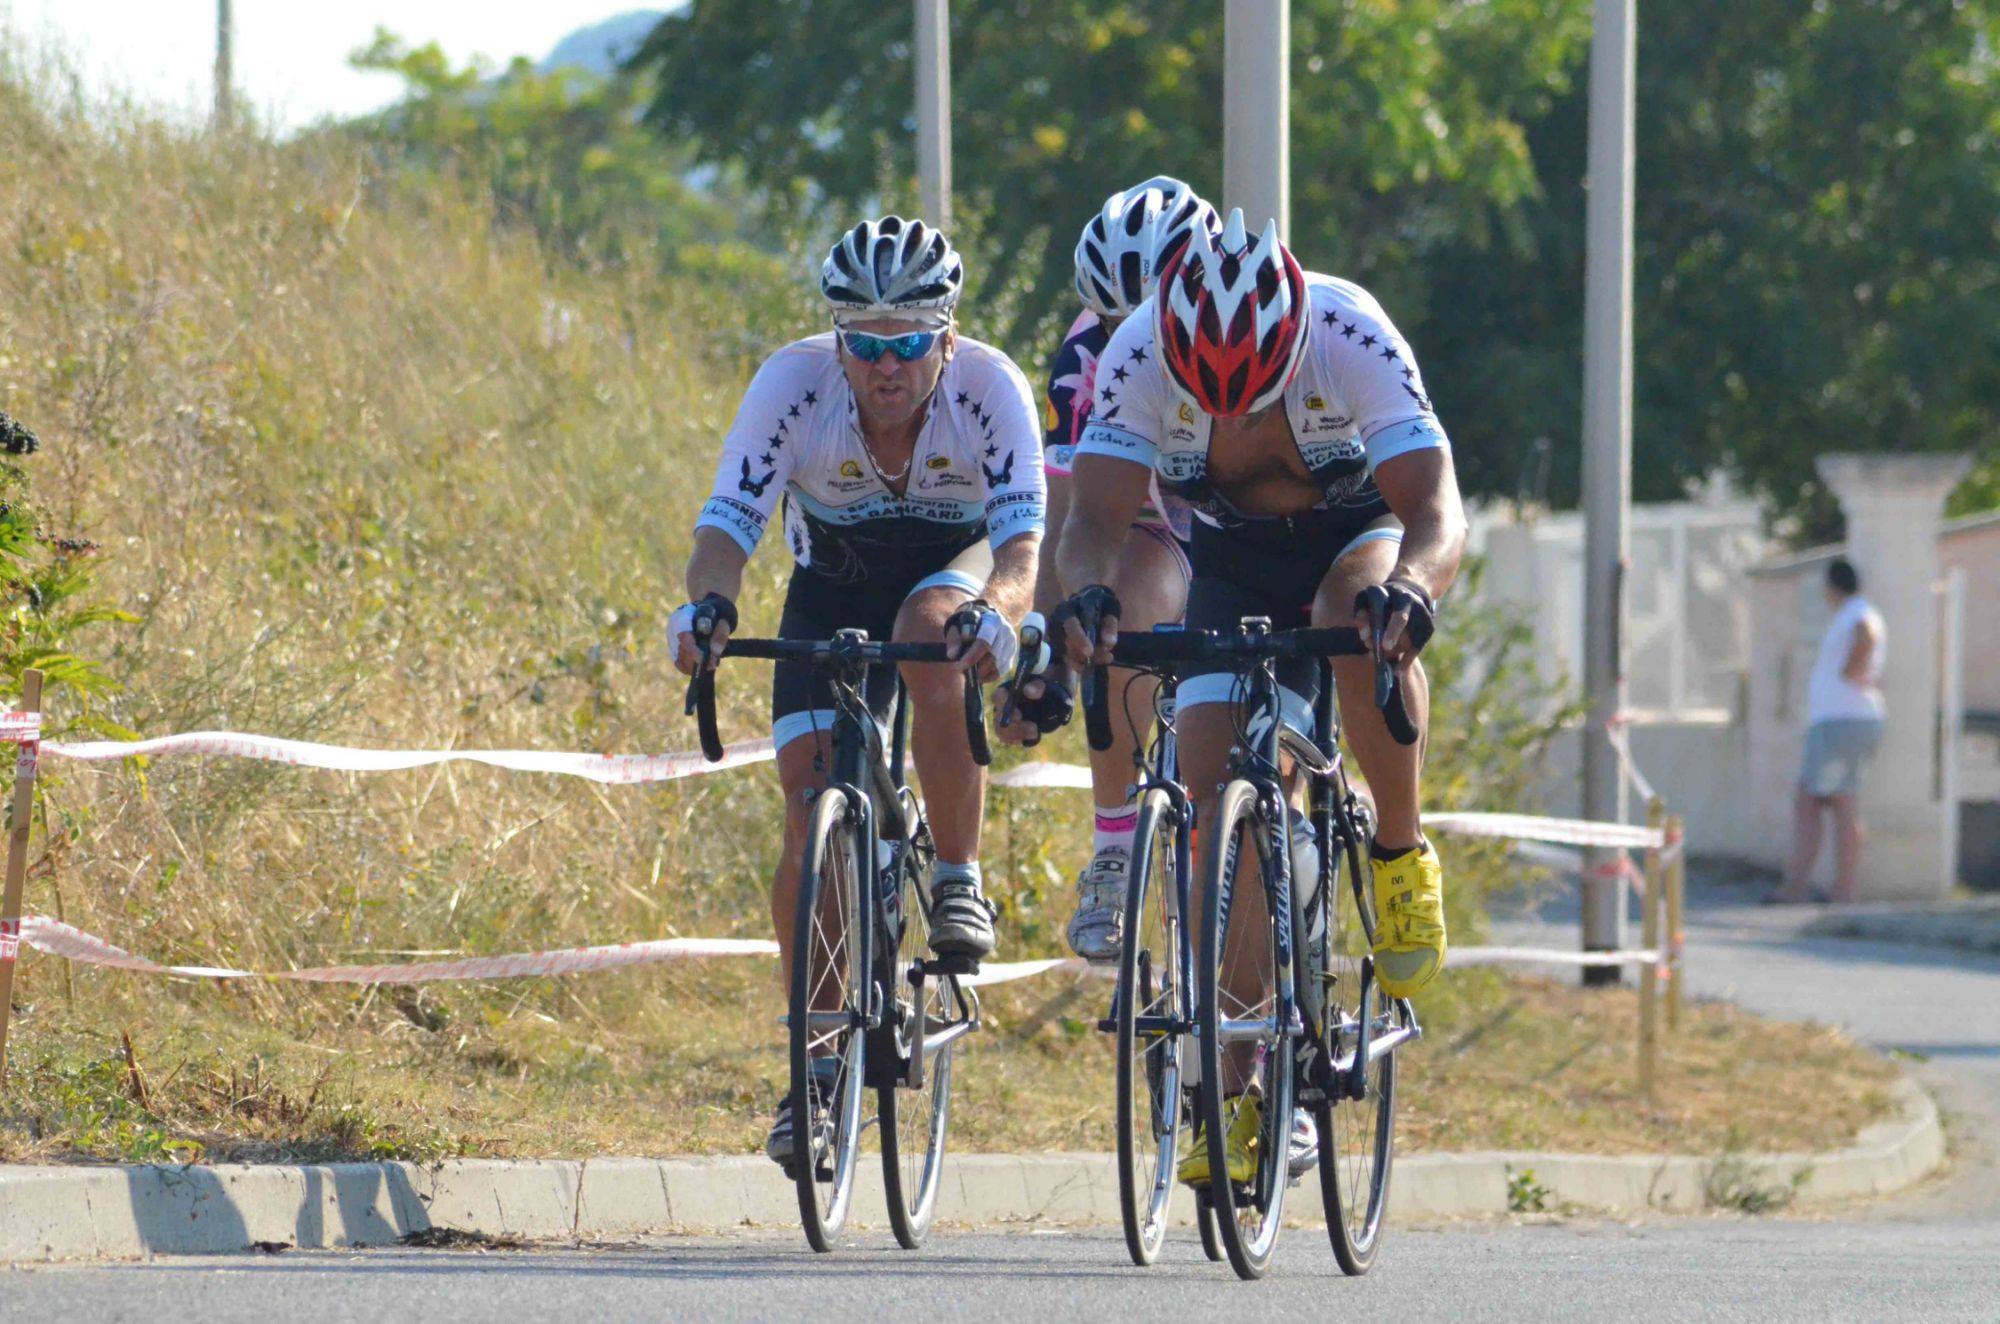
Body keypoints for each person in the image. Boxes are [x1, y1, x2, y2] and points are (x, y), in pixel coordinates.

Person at [1046, 209, 1465, 1188]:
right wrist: (1088, 595)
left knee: (1358, 618)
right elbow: (1092, 521)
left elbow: (1435, 507)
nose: (1232, 421)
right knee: (1210, 803)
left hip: (1353, 535)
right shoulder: (1138, 351)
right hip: (1230, 560)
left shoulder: (1349, 330)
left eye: (1255, 399)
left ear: (1291, 343)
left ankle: (1399, 853)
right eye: (1210, 402)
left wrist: (1415, 587)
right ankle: (1237, 1091)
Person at [668, 216, 1044, 1169]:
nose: (887, 365)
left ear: (947, 339)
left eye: (909, 343)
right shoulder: (792, 385)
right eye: (866, 344)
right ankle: (814, 1071)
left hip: (952, 570)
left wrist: (1000, 613)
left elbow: (1021, 549)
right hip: (831, 583)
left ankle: (956, 877)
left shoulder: (991, 387)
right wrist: (708, 607)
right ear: (837, 342)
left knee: (929, 628)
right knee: (808, 813)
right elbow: (727, 525)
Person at [1025, 176, 1217, 964]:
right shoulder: (1082, 360)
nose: (1134, 342)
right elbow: (1066, 518)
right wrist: (1047, 652)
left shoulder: (1258, 319)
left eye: (1153, 320)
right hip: (1152, 518)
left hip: (1248, 515)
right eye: (1114, 323)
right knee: (1111, 614)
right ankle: (1115, 848)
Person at [1772, 557, 1886, 905]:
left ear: (1831, 588)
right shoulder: (1852, 613)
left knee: (1832, 802)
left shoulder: (1858, 613)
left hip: (1842, 721)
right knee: (1821, 800)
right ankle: (1816, 887)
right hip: (1839, 721)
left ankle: (1826, 890)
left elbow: (1866, 635)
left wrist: (1853, 670)